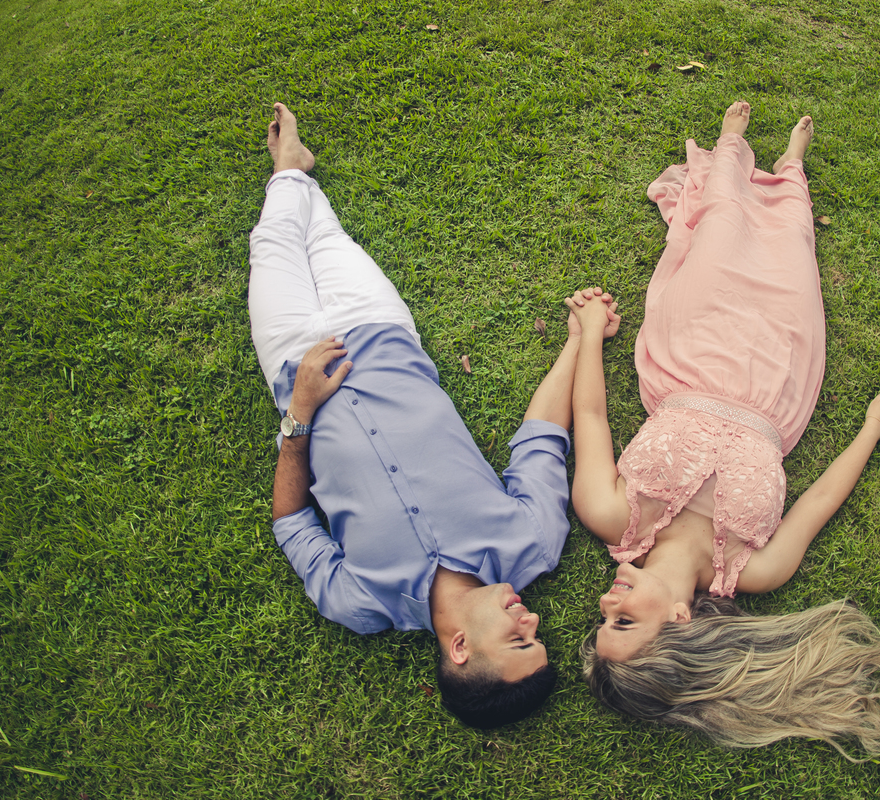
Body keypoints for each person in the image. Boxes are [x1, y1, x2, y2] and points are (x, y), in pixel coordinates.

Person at [566, 101, 880, 762]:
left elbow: (589, 417)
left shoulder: (610, 514)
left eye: (602, 618)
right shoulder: (756, 571)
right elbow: (819, 501)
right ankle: (791, 166)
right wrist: (871, 430)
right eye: (623, 621)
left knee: (723, 228)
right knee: (792, 253)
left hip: (690, 350)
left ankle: (731, 145)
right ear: (678, 623)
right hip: (776, 383)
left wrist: (588, 334)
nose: (606, 601)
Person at [248, 103, 620, 728]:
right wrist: (581, 340)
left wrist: (301, 410)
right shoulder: (532, 543)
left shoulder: (361, 603)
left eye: (520, 638)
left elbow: (292, 525)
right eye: (535, 632)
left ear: (461, 648)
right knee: (328, 241)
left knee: (272, 245)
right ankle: (294, 171)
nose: (532, 618)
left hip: (293, 362)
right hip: (380, 329)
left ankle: (291, 169)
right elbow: (542, 437)